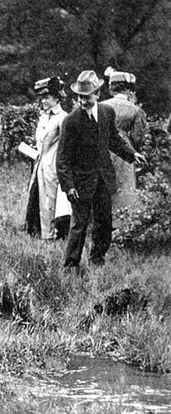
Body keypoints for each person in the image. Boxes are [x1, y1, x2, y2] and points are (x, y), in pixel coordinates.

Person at [56, 70, 146, 269]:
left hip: (104, 179)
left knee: (104, 223)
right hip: (80, 182)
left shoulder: (107, 113)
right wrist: (68, 186)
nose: (82, 101)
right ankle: (71, 266)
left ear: (97, 94)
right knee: (79, 225)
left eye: (87, 96)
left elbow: (114, 139)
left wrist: (132, 154)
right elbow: (62, 158)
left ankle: (97, 260)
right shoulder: (70, 121)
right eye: (80, 96)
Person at [100, 68, 147, 228]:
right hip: (124, 151)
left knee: (103, 185)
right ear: (129, 89)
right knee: (124, 186)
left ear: (112, 88)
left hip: (102, 149)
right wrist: (132, 151)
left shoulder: (101, 106)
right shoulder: (135, 110)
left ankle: (100, 224)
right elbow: (137, 137)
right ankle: (122, 226)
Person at [24, 77, 71, 240]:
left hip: (54, 166)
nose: (43, 101)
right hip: (40, 165)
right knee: (38, 199)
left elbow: (67, 146)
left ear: (57, 97)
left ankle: (51, 236)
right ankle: (39, 235)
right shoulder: (43, 117)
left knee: (52, 202)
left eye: (47, 97)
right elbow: (41, 143)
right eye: (42, 97)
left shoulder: (63, 118)